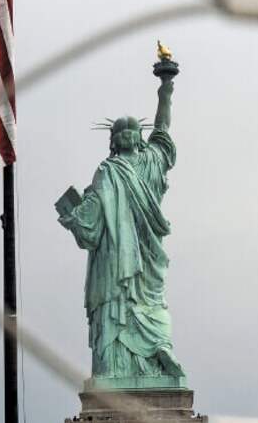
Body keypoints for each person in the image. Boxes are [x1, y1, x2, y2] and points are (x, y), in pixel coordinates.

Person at [56, 72, 185, 386]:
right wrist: (165, 89)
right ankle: (151, 352)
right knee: (140, 303)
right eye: (124, 130)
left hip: (130, 253)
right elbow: (162, 128)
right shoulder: (129, 166)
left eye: (130, 129)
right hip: (129, 253)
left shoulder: (123, 167)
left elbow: (89, 222)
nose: (127, 134)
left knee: (133, 302)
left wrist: (73, 212)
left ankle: (139, 358)